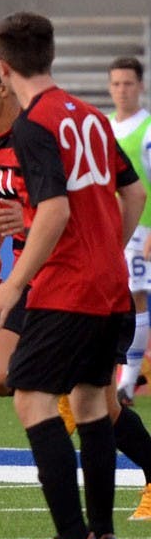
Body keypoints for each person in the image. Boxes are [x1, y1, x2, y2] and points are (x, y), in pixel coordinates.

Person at [0, 12, 145, 539]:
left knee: (31, 397)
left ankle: (72, 537)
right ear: (50, 56)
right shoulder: (92, 115)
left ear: (3, 67)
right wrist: (106, 250)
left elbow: (51, 210)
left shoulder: (35, 124)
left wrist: (13, 284)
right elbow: (134, 192)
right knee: (92, 401)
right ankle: (101, 536)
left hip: (65, 286)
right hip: (111, 284)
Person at [108, 56, 151, 406]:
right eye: (116, 83)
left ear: (141, 86)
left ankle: (129, 379)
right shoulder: (103, 127)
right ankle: (131, 372)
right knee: (117, 299)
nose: (122, 90)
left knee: (136, 296)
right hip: (110, 229)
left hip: (142, 228)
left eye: (128, 83)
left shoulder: (148, 129)